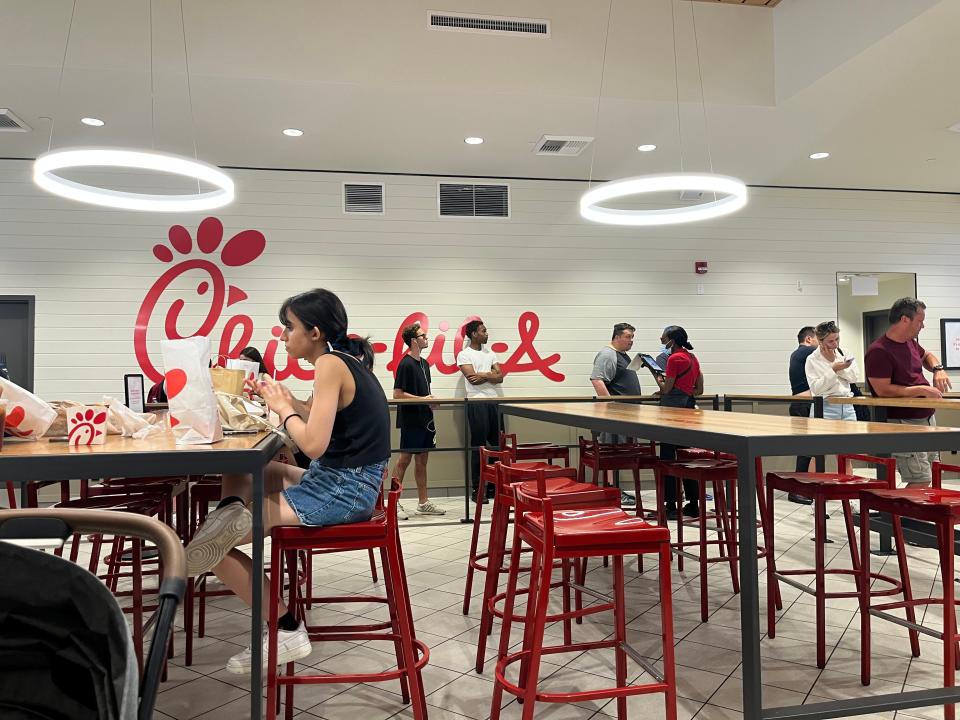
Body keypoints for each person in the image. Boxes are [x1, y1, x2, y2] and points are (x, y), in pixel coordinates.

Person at [184, 288, 390, 674]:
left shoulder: (330, 363)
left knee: (206, 546)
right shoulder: (344, 360)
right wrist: (287, 400)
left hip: (344, 490)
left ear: (314, 332)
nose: (281, 336)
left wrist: (281, 409)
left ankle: (284, 628)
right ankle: (231, 516)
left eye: (287, 327)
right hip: (350, 482)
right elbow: (316, 418)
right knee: (259, 470)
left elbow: (312, 444)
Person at [865, 297, 952, 487]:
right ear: (905, 319)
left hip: (927, 418)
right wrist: (920, 389)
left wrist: (938, 369)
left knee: (933, 472)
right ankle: (898, 514)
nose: (922, 326)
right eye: (920, 321)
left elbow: (927, 355)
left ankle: (913, 514)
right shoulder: (878, 351)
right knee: (920, 478)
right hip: (904, 421)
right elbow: (882, 390)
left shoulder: (910, 343)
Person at [393, 322, 444, 518]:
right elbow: (397, 394)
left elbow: (426, 393)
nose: (426, 338)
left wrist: (430, 402)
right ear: (414, 340)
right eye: (423, 336)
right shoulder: (405, 364)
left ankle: (423, 502)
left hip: (425, 418)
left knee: (422, 460)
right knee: (405, 459)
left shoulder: (425, 364)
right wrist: (422, 400)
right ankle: (394, 503)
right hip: (410, 418)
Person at [590, 323, 642, 507]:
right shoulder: (607, 354)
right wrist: (610, 405)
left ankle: (615, 488)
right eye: (628, 337)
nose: (631, 341)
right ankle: (611, 489)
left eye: (632, 337)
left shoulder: (622, 355)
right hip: (615, 413)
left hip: (626, 413)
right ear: (617, 337)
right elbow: (597, 380)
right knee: (611, 451)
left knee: (619, 452)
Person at [655, 326, 704, 520]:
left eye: (664, 337)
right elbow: (699, 389)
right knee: (686, 457)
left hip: (670, 414)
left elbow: (666, 389)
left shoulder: (674, 359)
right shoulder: (692, 358)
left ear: (671, 340)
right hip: (688, 411)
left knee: (668, 458)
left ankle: (671, 504)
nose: (661, 339)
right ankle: (693, 503)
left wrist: (658, 378)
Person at [457, 319, 504, 500]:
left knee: (496, 445)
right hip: (476, 402)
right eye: (483, 331)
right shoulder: (464, 355)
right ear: (474, 334)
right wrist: (490, 375)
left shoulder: (490, 353)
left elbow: (500, 377)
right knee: (479, 446)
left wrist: (483, 374)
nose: (487, 334)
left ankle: (494, 487)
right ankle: (478, 489)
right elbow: (472, 379)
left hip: (493, 402)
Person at [805, 321, 858, 421]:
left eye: (837, 339)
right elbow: (817, 389)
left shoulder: (845, 352)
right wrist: (833, 368)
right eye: (830, 341)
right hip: (825, 408)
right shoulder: (812, 359)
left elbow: (854, 378)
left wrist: (835, 363)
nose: (836, 344)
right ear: (820, 341)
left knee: (853, 436)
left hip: (848, 407)